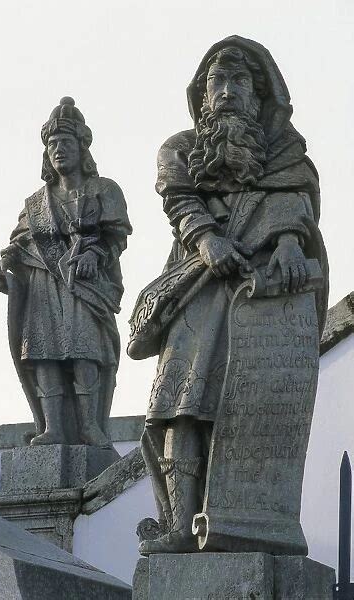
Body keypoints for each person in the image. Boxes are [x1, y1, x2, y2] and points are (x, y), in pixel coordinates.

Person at [129, 36, 328, 554]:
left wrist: (289, 241)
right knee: (180, 406)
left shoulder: (286, 151)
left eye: (239, 80)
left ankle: (238, 518)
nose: (227, 91)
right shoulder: (180, 147)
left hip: (257, 301)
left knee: (241, 407)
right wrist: (208, 239)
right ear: (202, 92)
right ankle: (177, 523)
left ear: (261, 93)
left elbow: (296, 201)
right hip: (196, 287)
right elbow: (177, 198)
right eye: (217, 81)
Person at [0, 97, 132, 447]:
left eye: (65, 143)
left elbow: (117, 236)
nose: (58, 150)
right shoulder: (36, 203)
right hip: (42, 284)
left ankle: (89, 425)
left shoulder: (105, 189)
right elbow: (20, 241)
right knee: (43, 353)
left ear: (81, 148)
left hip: (83, 285)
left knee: (85, 351)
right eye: (52, 145)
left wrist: (96, 253)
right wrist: (4, 266)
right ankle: (52, 427)